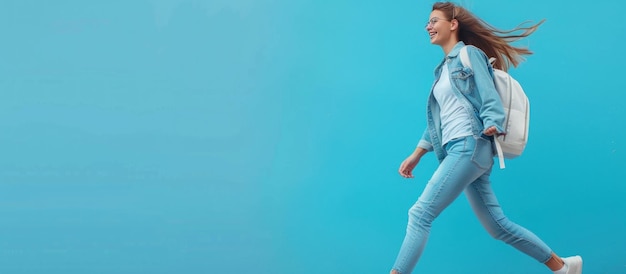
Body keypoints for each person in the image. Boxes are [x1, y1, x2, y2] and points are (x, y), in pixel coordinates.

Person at [390, 2, 582, 274]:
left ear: (453, 24)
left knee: (420, 214)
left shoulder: (469, 54)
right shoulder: (442, 71)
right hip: (462, 149)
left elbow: (489, 95)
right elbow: (439, 121)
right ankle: (563, 267)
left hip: (469, 146)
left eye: (434, 21)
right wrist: (417, 154)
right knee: (498, 226)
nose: (428, 26)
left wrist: (492, 122)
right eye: (428, 22)